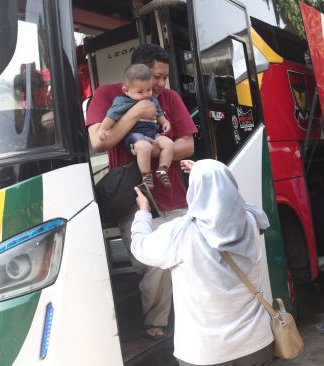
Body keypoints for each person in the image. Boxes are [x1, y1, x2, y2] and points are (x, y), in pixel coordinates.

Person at [85, 43, 197, 339]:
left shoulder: (169, 98)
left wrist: (161, 153)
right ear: (140, 73)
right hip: (136, 200)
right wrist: (135, 113)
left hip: (173, 196)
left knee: (192, 259)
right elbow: (99, 141)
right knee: (152, 267)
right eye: (156, 77)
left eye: (164, 78)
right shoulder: (107, 95)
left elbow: (188, 144)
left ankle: (192, 321)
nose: (160, 85)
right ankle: (157, 323)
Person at [131, 159, 274, 366]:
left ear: (194, 190)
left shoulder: (180, 233)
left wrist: (143, 212)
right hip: (256, 344)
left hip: (205, 353)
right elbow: (237, 202)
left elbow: (140, 248)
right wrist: (210, 173)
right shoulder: (251, 222)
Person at [98, 63, 174, 189]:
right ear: (126, 90)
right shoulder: (123, 101)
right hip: (135, 135)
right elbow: (111, 116)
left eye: (148, 90)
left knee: (169, 144)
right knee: (144, 147)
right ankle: (146, 175)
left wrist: (165, 122)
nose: (145, 94)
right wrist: (103, 129)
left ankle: (162, 169)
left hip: (153, 132)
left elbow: (159, 114)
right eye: (140, 92)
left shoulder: (152, 100)